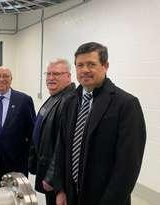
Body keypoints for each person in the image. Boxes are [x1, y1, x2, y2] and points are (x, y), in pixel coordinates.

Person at [56, 42, 146, 205]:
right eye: (80, 65)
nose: (84, 70)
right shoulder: (70, 102)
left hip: (105, 198)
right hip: (71, 195)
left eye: (91, 64)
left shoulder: (126, 104)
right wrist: (61, 189)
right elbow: (62, 148)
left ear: (105, 66)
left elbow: (128, 166)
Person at [29, 59, 76, 205]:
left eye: (56, 74)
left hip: (56, 176)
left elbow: (63, 146)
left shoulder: (69, 101)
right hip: (46, 167)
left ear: (68, 76)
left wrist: (52, 178)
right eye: (48, 74)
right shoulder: (55, 97)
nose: (50, 78)